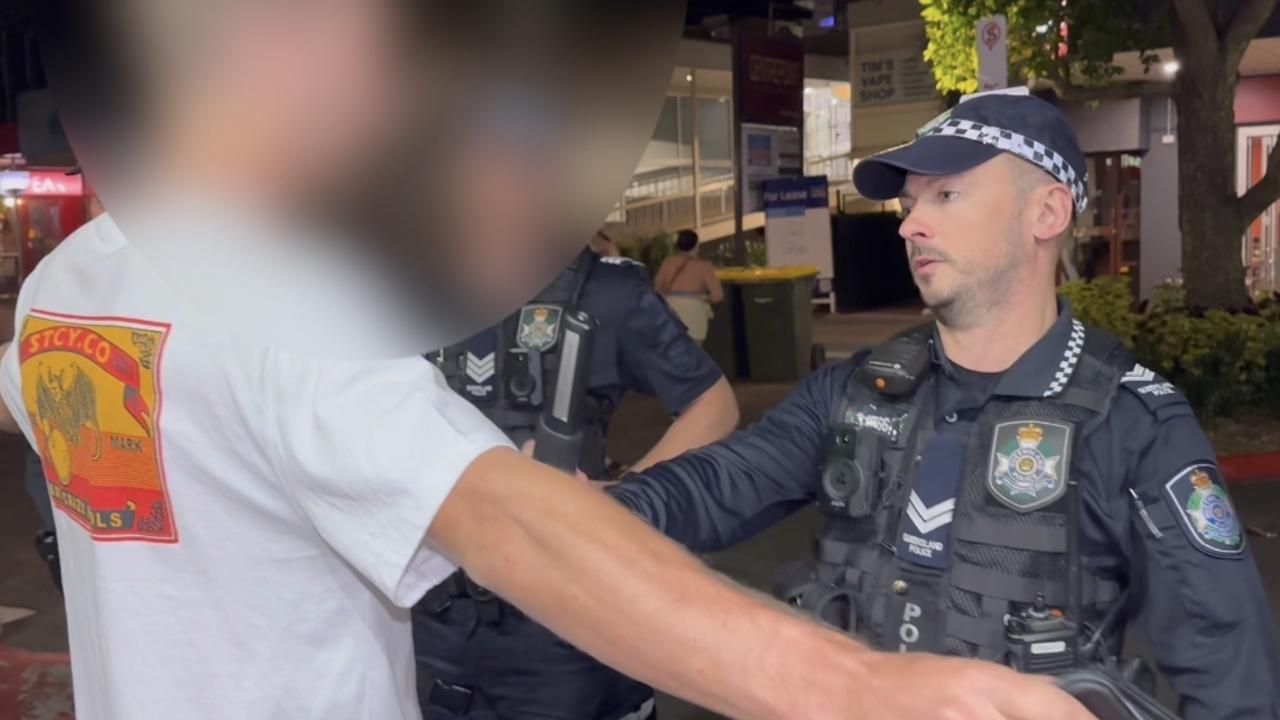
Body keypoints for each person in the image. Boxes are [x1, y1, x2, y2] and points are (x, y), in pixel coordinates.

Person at [0, 3, 1095, 720]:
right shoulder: (289, 311)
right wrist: (858, 688)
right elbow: (508, 522)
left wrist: (613, 498)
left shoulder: (71, 291)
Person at [606, 90, 1280, 720]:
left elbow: (1232, 676)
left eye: (947, 195)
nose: (911, 226)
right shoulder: (854, 389)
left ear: (1046, 213)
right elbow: (715, 486)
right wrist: (587, 507)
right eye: (909, 206)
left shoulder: (1133, 424)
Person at [415, 243, 740, 719]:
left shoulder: (606, 290)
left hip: (564, 622)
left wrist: (621, 499)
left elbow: (712, 405)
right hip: (434, 612)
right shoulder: (409, 286)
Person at [654, 229, 723, 345]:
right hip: (693, 311)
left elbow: (657, 289)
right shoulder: (704, 266)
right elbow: (717, 296)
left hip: (670, 310)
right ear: (696, 245)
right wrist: (703, 298)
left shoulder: (667, 263)